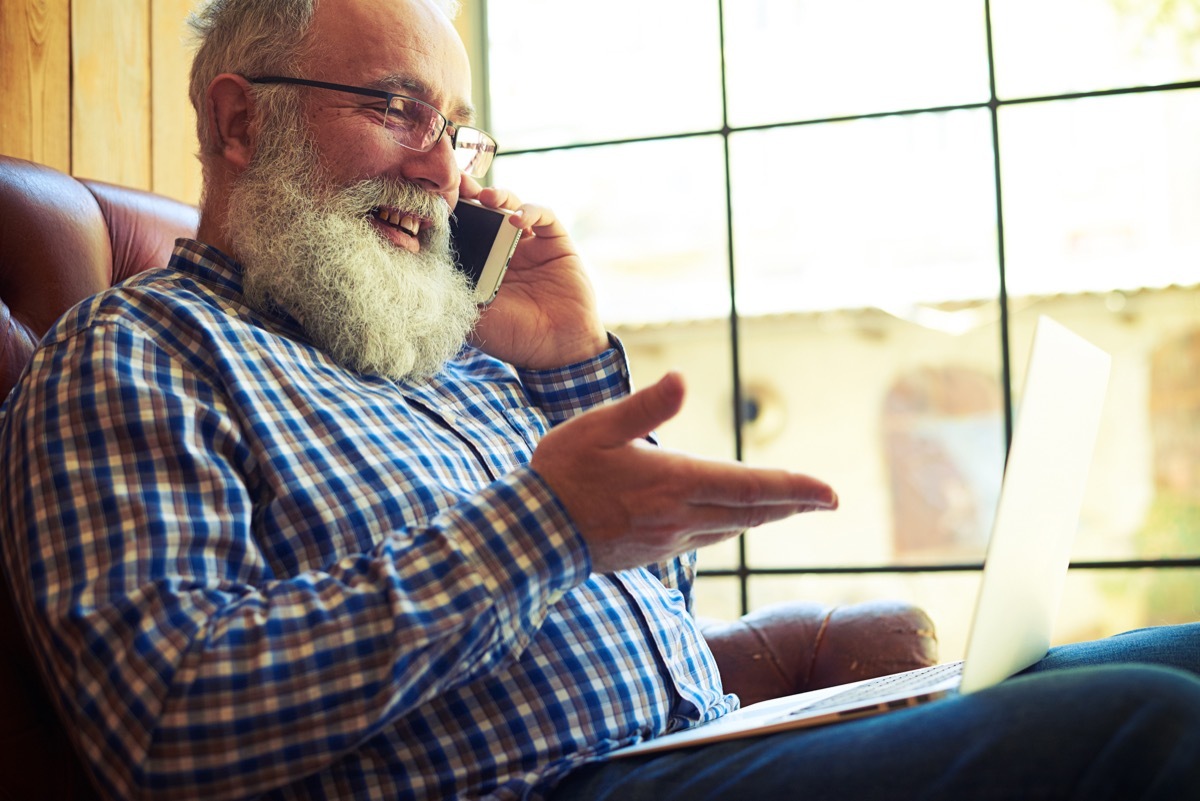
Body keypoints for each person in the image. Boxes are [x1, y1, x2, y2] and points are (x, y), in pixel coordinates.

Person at [0, 0, 1197, 799]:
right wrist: (543, 527)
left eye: (457, 130)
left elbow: (649, 606)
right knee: (1146, 733)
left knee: (1180, 662)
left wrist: (568, 357)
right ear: (237, 120)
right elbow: (158, 726)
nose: (441, 167)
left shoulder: (449, 357)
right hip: (559, 790)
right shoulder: (135, 354)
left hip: (693, 744)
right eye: (397, 108)